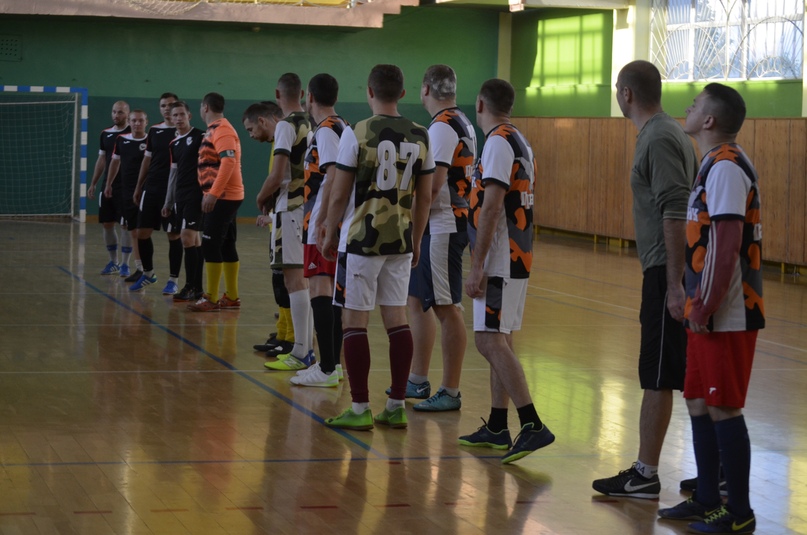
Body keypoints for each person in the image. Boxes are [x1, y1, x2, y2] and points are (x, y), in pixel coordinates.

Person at [657, 84, 763, 534]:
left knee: (724, 407)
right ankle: (705, 498)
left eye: (695, 103)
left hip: (727, 311)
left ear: (710, 120)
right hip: (707, 307)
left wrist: (705, 305)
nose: (688, 107)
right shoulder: (712, 163)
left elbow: (726, 243)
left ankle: (739, 511)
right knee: (699, 401)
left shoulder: (726, 168)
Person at [592, 60, 698, 498]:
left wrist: (673, 284)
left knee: (657, 373)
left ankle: (645, 473)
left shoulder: (658, 137)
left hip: (665, 269)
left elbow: (675, 209)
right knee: (682, 370)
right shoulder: (665, 134)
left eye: (617, 89)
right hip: (666, 268)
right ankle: (715, 471)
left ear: (627, 94)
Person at [320, 64, 433, 431]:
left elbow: (339, 192)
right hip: (400, 239)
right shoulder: (421, 134)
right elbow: (425, 197)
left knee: (354, 321)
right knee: (396, 319)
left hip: (361, 240)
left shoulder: (356, 132)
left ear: (369, 91)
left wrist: (328, 231)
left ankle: (359, 407)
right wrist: (417, 239)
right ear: (402, 94)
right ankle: (396, 405)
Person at [457, 78, 554, 464]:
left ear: (480, 104)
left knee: (488, 341)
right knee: (500, 338)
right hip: (516, 254)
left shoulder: (498, 142)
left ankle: (531, 422)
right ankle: (498, 425)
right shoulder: (517, 139)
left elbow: (493, 205)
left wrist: (478, 264)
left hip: (501, 257)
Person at [400, 64, 476, 411]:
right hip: (436, 225)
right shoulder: (457, 121)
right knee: (417, 300)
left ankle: (451, 390)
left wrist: (412, 228)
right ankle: (417, 379)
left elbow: (432, 186)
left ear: (426, 89)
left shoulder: (443, 127)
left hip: (444, 225)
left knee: (447, 308)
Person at [289, 73, 349, 387]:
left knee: (320, 289)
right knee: (329, 292)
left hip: (321, 220)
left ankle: (326, 367)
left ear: (309, 97)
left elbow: (335, 175)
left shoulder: (326, 130)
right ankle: (332, 365)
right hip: (327, 218)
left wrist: (324, 220)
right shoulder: (341, 126)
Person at [255, 74, 316, 372]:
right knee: (305, 280)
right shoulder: (314, 123)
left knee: (294, 280)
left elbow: (277, 174)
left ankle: (301, 351)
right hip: (310, 207)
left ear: (277, 94)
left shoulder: (285, 125)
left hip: (290, 207)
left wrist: (261, 197)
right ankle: (306, 348)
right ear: (302, 93)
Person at [243, 102, 296, 356]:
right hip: (278, 219)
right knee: (279, 282)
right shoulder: (277, 141)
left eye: (250, 129)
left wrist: (261, 198)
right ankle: (283, 333)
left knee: (289, 283)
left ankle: (292, 338)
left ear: (263, 121)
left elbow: (280, 180)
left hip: (289, 218)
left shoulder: (286, 134)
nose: (251, 135)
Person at [186, 92, 245, 312]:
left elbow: (228, 161)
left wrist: (213, 193)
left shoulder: (222, 130)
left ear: (205, 107)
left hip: (223, 197)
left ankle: (210, 298)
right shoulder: (215, 129)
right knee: (227, 245)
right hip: (225, 196)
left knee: (210, 245)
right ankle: (232, 296)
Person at [129, 92, 182, 293]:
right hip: (152, 188)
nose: (167, 108)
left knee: (173, 235)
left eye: (170, 105)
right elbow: (147, 159)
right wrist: (138, 186)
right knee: (142, 232)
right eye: (163, 105)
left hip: (174, 190)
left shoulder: (183, 132)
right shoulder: (154, 130)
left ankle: (173, 280)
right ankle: (148, 274)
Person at [162, 101, 205, 302]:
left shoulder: (201, 136)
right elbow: (173, 174)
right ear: (170, 118)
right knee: (194, 240)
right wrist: (168, 202)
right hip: (181, 196)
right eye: (175, 115)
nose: (178, 118)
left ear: (189, 116)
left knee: (186, 238)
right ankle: (197, 288)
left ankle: (190, 286)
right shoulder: (174, 144)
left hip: (197, 194)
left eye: (181, 114)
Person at [88, 101, 132, 276]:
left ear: (127, 114)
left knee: (125, 225)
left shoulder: (133, 133)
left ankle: (125, 264)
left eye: (120, 112)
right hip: (108, 185)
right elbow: (102, 160)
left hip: (126, 186)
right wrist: (93, 183)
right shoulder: (105, 134)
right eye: (114, 112)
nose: (116, 115)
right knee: (107, 223)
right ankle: (113, 262)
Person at [104, 109, 149, 275]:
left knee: (143, 231)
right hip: (127, 191)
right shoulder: (121, 140)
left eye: (140, 120)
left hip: (147, 191)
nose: (137, 123)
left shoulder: (150, 140)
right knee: (130, 228)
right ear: (129, 122)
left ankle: (144, 269)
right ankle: (135, 267)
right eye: (134, 120)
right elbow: (115, 162)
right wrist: (108, 183)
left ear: (146, 122)